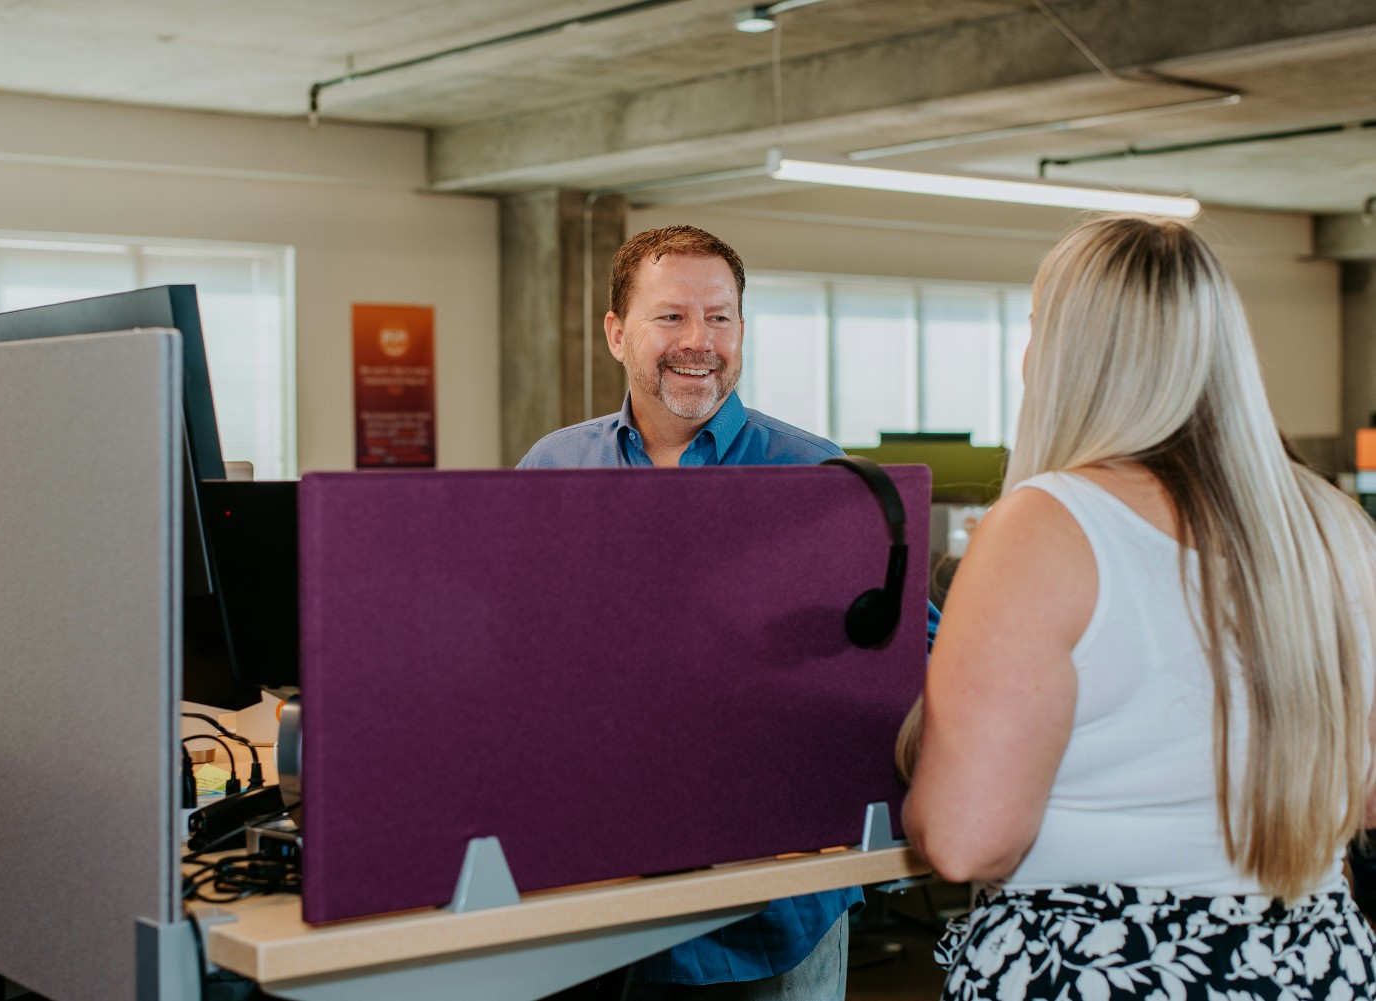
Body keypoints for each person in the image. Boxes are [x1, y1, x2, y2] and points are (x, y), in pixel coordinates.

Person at [903, 214, 1376, 999]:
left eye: (1035, 329)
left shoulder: (1047, 525)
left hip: (1106, 964)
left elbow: (964, 842)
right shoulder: (1334, 527)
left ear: (1066, 354)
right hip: (1311, 959)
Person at [521, 224, 939, 999]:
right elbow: (517, 654)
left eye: (719, 317)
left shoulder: (816, 474)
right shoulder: (553, 469)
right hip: (602, 885)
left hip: (775, 904)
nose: (698, 341)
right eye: (670, 316)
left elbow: (912, 640)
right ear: (617, 333)